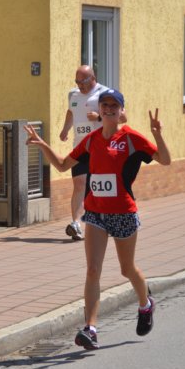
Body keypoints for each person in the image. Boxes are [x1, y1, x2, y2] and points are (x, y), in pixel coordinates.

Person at [25, 88, 171, 349]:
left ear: (121, 111)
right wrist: (43, 145)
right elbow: (62, 165)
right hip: (95, 213)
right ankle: (90, 329)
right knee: (93, 270)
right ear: (99, 110)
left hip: (123, 212)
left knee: (127, 269)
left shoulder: (131, 139)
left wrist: (157, 134)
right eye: (105, 105)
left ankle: (146, 304)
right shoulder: (91, 140)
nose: (109, 109)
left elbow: (165, 160)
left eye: (114, 105)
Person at [58, 66, 121, 241]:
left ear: (92, 78)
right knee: (79, 184)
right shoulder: (73, 95)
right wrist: (65, 129)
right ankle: (76, 224)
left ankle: (108, 220)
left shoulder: (105, 94)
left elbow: (122, 117)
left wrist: (99, 117)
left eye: (82, 81)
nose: (79, 85)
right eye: (76, 82)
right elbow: (71, 112)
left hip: (100, 149)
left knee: (100, 187)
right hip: (80, 148)